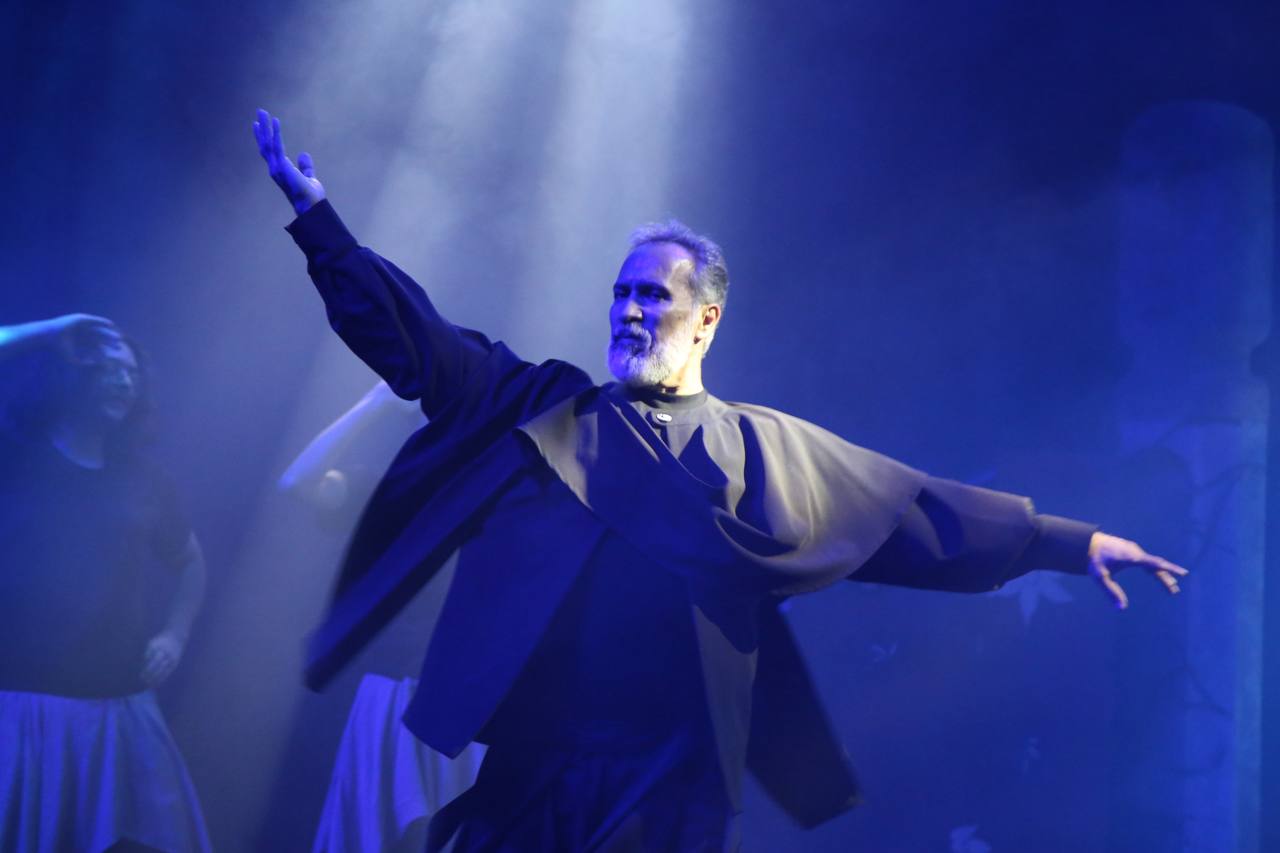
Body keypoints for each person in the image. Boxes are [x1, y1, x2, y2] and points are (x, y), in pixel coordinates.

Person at [253, 109, 1187, 851]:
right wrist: (321, 225)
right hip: (533, 770)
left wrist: (1071, 543)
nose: (629, 311)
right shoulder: (541, 407)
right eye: (620, 292)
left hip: (668, 783)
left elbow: (917, 515)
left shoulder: (761, 449)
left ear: (704, 319)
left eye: (652, 295)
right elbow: (414, 340)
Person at [0, 314, 212, 852]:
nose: (123, 382)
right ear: (69, 372)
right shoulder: (13, 458)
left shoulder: (144, 479)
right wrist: (50, 332)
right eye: (108, 368)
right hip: (21, 707)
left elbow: (191, 562)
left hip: (117, 709)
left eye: (132, 373)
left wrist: (175, 635)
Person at [279, 380, 485, 851]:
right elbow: (297, 483)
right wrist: (374, 405)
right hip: (397, 687)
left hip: (465, 691)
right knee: (393, 831)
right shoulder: (382, 490)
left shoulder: (493, 493)